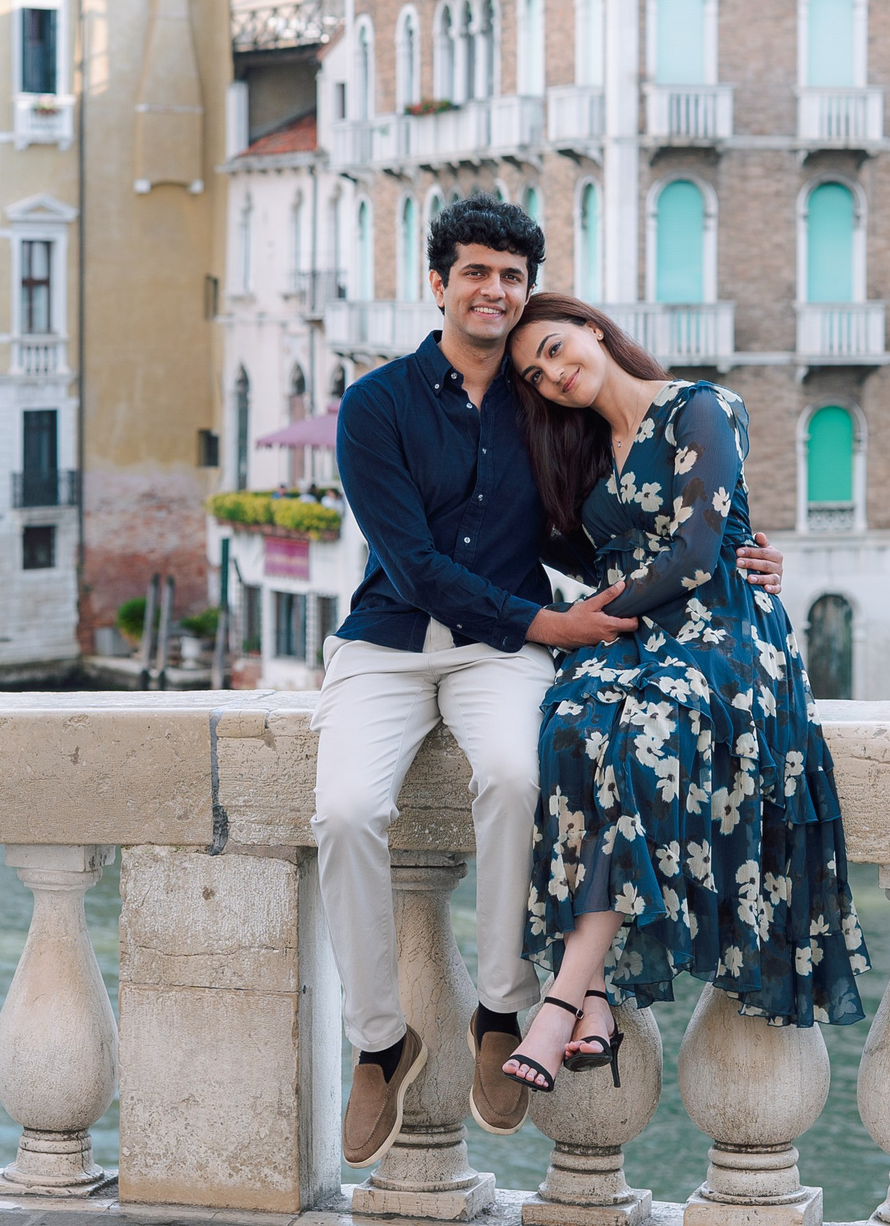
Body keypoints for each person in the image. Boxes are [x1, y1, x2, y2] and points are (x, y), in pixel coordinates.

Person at [316, 198, 785, 1164]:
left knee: (518, 776)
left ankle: (503, 1002)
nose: (495, 291)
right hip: (390, 639)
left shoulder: (547, 408)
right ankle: (378, 1040)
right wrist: (552, 624)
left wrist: (744, 552)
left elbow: (600, 533)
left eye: (513, 277)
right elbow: (408, 561)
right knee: (348, 810)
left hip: (502, 654)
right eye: (476, 272)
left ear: (533, 292)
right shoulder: (376, 405)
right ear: (438, 282)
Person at [497, 293, 867, 1094]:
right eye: (537, 373)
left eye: (558, 349)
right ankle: (592, 995)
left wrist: (590, 618)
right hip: (632, 634)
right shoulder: (587, 452)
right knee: (566, 729)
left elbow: (700, 550)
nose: (556, 375)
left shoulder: (700, 406)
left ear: (594, 331)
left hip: (722, 632)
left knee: (643, 742)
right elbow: (560, 546)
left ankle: (563, 996)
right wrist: (572, 618)